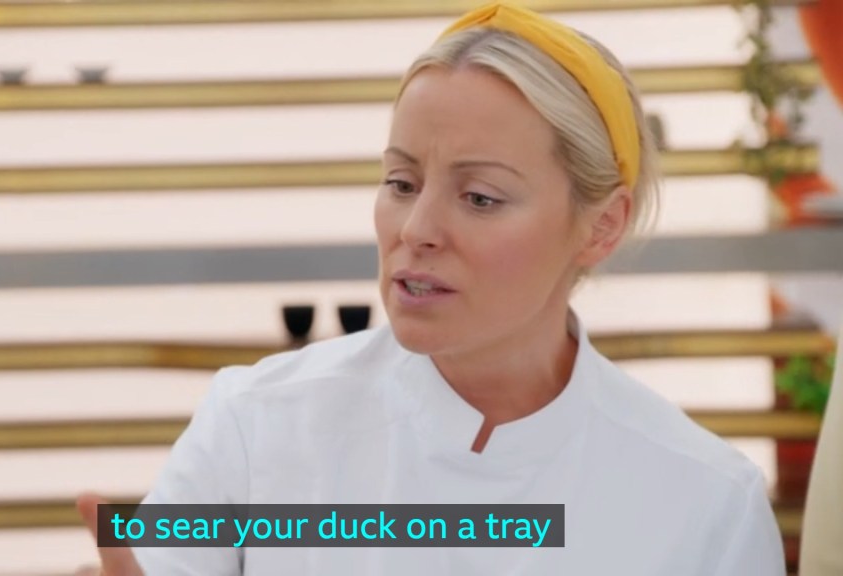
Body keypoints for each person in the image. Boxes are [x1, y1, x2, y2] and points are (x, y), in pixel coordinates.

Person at [76, 2, 786, 574]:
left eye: (479, 197)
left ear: (601, 226)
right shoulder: (255, 424)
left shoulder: (707, 503)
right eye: (400, 183)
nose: (416, 230)